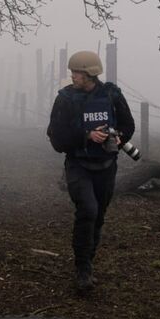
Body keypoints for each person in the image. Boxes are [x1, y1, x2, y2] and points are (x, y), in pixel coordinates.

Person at [46, 50, 135, 294]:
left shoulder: (112, 95)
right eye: (72, 72)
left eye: (77, 72)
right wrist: (86, 135)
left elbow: (128, 125)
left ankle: (88, 260)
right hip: (78, 165)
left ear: (90, 74)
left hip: (106, 166)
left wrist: (119, 137)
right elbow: (56, 138)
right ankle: (82, 269)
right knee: (88, 210)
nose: (73, 76)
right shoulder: (65, 99)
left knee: (99, 216)